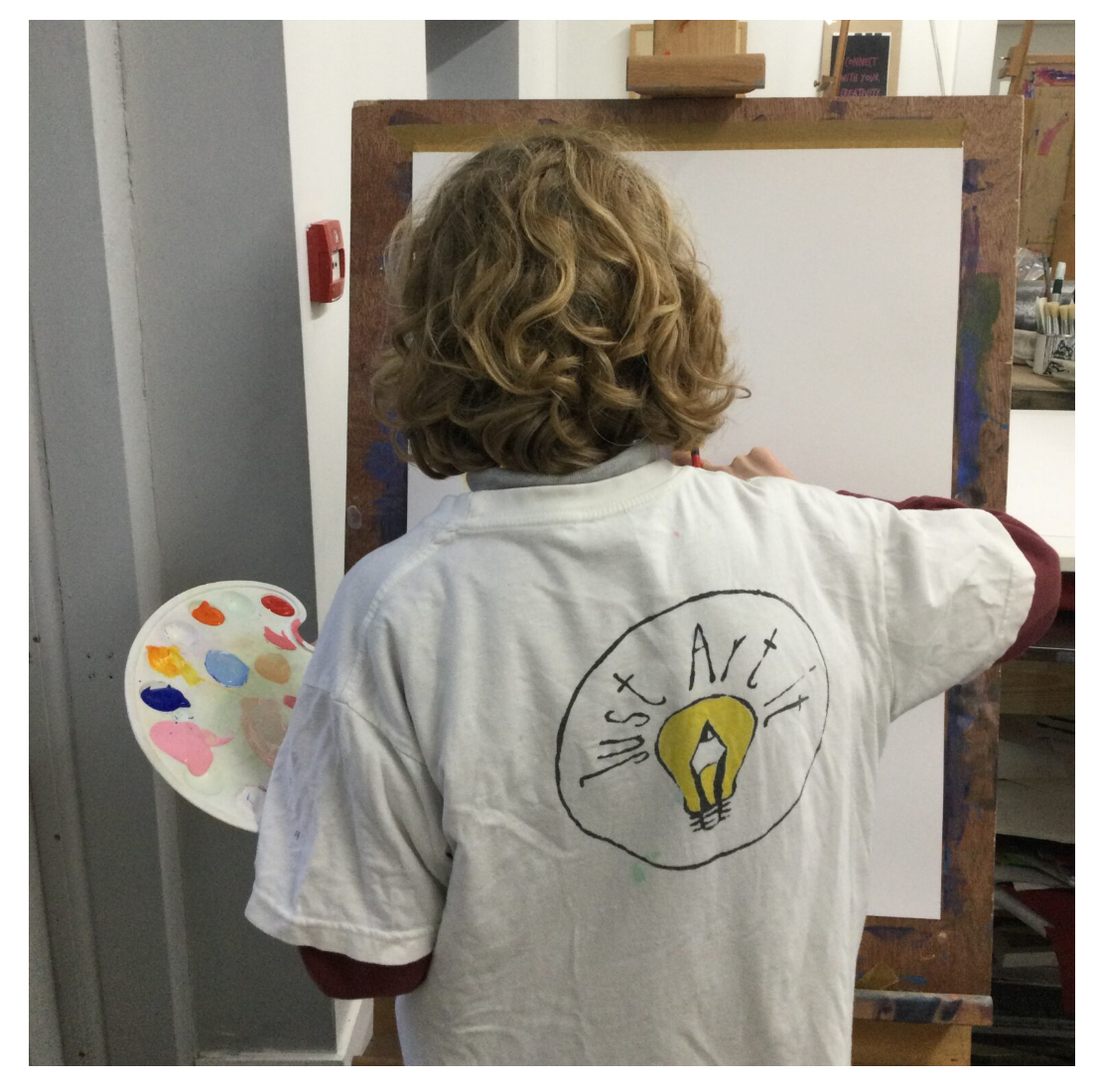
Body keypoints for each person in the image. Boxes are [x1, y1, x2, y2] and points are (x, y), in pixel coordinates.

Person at [246, 129, 1060, 1065]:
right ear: (677, 319)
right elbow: (1026, 571)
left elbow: (360, 966)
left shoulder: (394, 609)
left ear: (431, 347)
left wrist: (301, 788)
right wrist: (807, 508)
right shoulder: (828, 547)